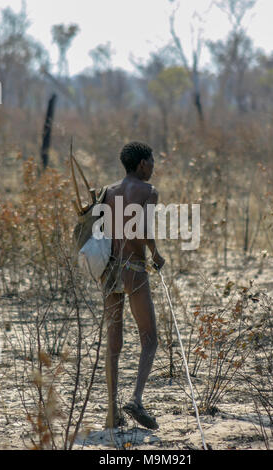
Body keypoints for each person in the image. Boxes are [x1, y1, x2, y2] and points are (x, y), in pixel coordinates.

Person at [100, 141, 165, 430]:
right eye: (152, 161)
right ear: (142, 164)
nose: (153, 166)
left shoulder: (108, 191)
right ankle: (136, 400)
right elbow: (142, 230)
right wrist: (156, 254)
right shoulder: (148, 192)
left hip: (109, 270)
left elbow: (101, 229)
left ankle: (112, 412)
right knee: (149, 338)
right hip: (134, 270)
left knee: (114, 342)